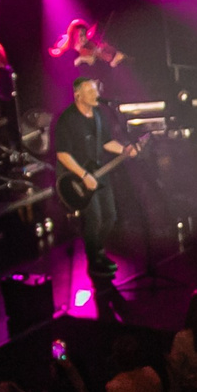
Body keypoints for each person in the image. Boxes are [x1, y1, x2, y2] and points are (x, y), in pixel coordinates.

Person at [51, 74, 135, 285]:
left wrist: (125, 149)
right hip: (77, 178)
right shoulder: (66, 119)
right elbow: (62, 154)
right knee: (94, 219)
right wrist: (84, 175)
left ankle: (98, 252)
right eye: (90, 91)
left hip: (99, 172)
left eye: (96, 90)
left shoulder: (98, 115)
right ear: (77, 94)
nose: (95, 94)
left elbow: (106, 142)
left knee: (110, 216)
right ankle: (93, 261)